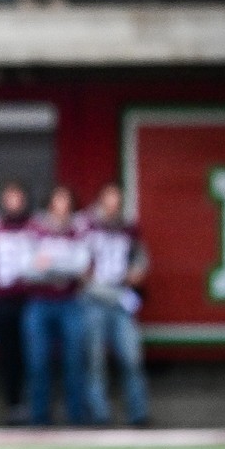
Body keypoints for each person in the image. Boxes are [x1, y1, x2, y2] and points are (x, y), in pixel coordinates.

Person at [80, 183, 150, 427]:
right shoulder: (86, 226)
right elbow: (78, 265)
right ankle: (99, 413)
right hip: (94, 299)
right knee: (95, 359)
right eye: (108, 200)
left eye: (116, 201)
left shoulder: (128, 228)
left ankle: (138, 412)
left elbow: (141, 257)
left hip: (121, 296)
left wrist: (137, 271)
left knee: (132, 357)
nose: (112, 206)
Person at [22, 185, 90, 426]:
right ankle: (39, 417)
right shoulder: (35, 228)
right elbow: (27, 269)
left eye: (66, 201)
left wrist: (50, 265)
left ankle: (76, 417)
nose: (61, 207)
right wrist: (60, 268)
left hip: (70, 302)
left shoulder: (78, 228)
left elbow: (81, 267)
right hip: (40, 302)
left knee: (75, 361)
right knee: (37, 361)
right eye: (57, 201)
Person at [0, 181, 35, 425]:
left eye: (17, 197)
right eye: (8, 197)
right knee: (8, 357)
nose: (13, 202)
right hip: (2, 302)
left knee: (34, 356)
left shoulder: (36, 229)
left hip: (31, 300)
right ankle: (13, 404)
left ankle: (35, 406)